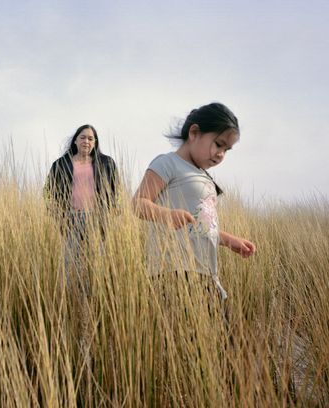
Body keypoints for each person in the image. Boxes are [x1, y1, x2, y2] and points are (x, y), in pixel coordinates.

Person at [132, 102, 256, 301]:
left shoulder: (206, 177)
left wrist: (229, 240)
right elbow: (138, 203)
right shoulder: (168, 163)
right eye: (218, 144)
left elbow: (201, 225)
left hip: (206, 273)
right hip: (172, 271)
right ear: (194, 132)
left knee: (220, 331)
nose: (221, 154)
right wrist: (166, 215)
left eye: (227, 149)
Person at [44, 124, 120, 379]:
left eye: (92, 138)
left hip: (97, 220)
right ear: (74, 140)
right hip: (71, 219)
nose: (87, 141)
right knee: (70, 264)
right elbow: (49, 194)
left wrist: (110, 216)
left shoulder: (106, 163)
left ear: (96, 142)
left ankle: (92, 297)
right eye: (83, 137)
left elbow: (115, 193)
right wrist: (58, 216)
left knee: (96, 263)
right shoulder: (60, 164)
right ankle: (72, 301)